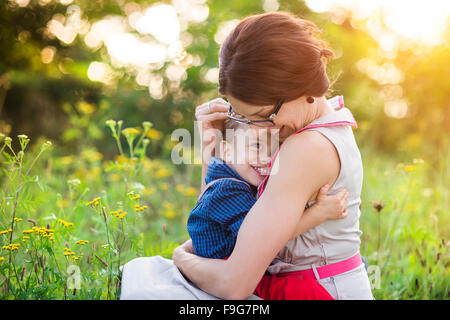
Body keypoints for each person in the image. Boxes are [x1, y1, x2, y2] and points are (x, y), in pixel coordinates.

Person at [172, 11, 374, 300]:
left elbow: (232, 283)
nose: (258, 129)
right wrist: (215, 150)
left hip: (315, 291)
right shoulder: (318, 124)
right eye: (239, 115)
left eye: (260, 115)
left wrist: (181, 257)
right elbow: (217, 217)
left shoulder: (306, 148)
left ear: (304, 90)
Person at [187, 119, 349, 299]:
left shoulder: (240, 179)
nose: (267, 159)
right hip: (226, 271)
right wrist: (319, 213)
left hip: (242, 266)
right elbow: (263, 236)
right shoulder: (227, 190)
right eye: (256, 146)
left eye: (275, 151)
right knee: (304, 291)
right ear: (227, 151)